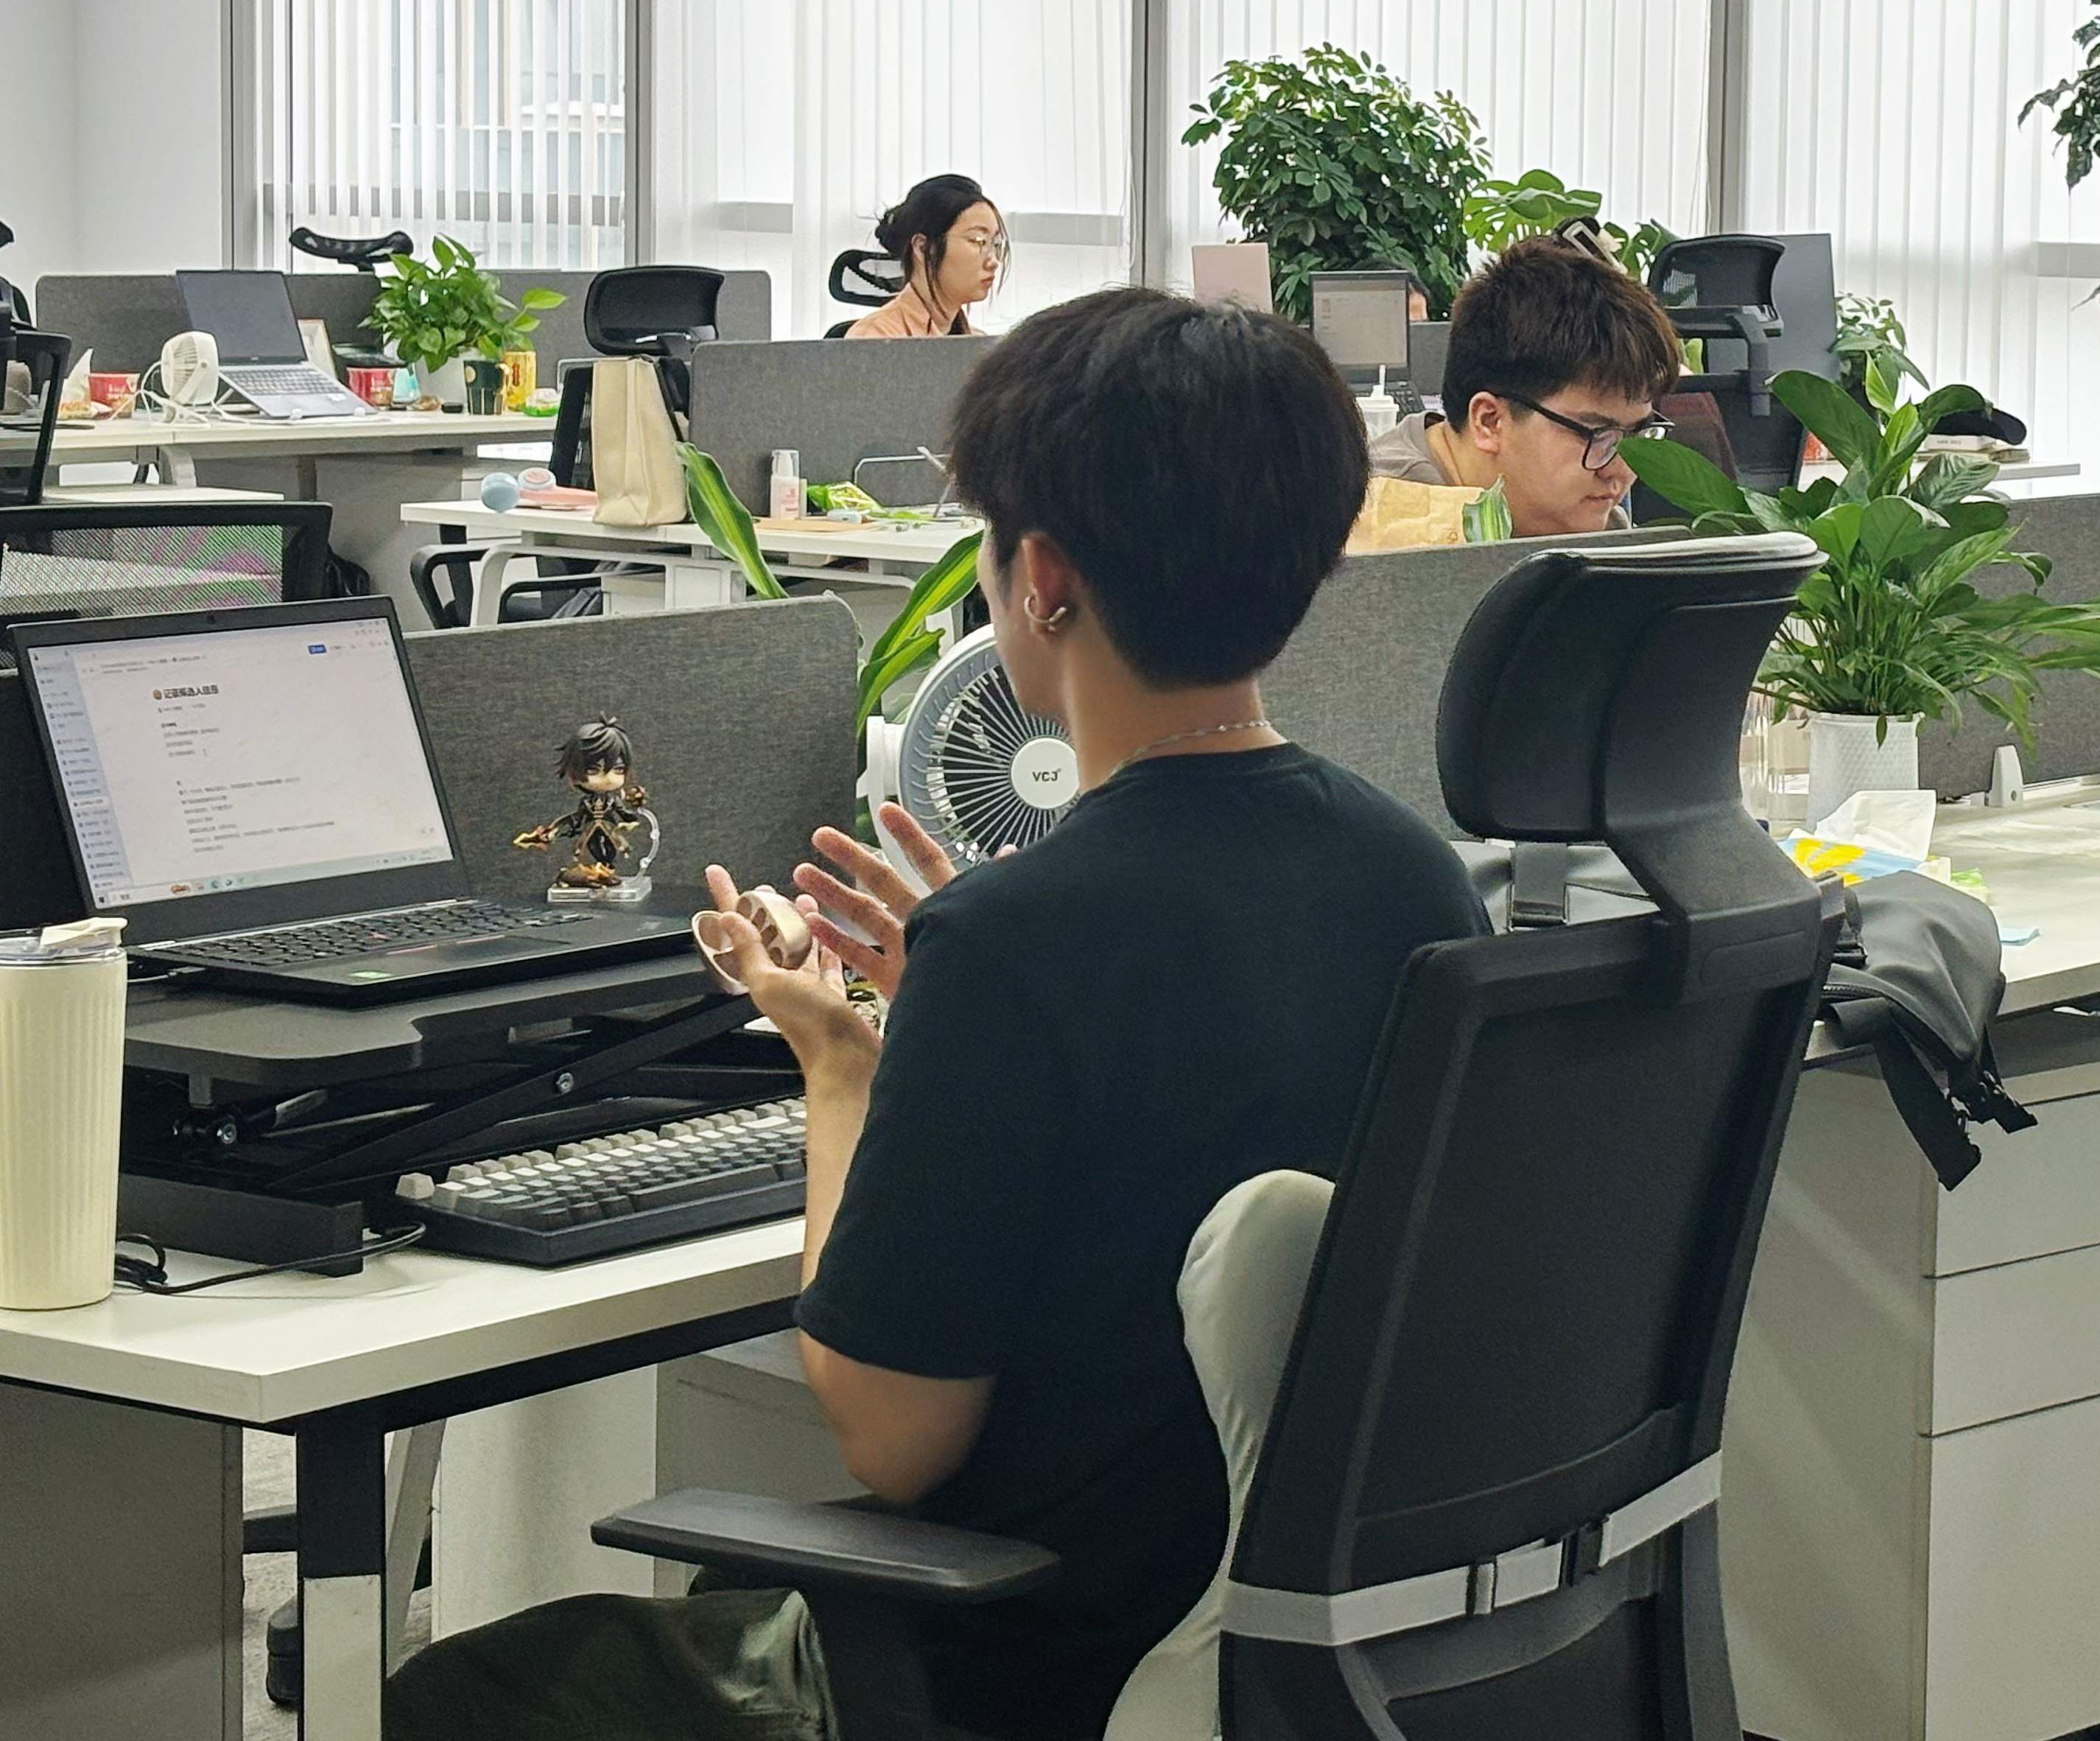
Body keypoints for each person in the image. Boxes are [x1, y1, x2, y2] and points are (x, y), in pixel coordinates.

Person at [387, 290, 1490, 1741]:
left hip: (1044, 1656)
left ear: (1044, 580)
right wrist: (963, 1010)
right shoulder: (1415, 878)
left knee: (461, 1692)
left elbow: (893, 1438)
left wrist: (844, 1061)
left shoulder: (1024, 938)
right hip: (1322, 1646)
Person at [1366, 235, 1682, 536]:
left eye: (1639, 434)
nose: (1621, 471)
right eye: (1596, 434)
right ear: (1489, 421)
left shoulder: (1585, 517)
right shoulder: (1375, 528)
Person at [845, 172, 1008, 338]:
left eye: (995, 244)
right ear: (923, 248)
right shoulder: (874, 337)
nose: (994, 261)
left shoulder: (978, 341)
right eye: (978, 240)